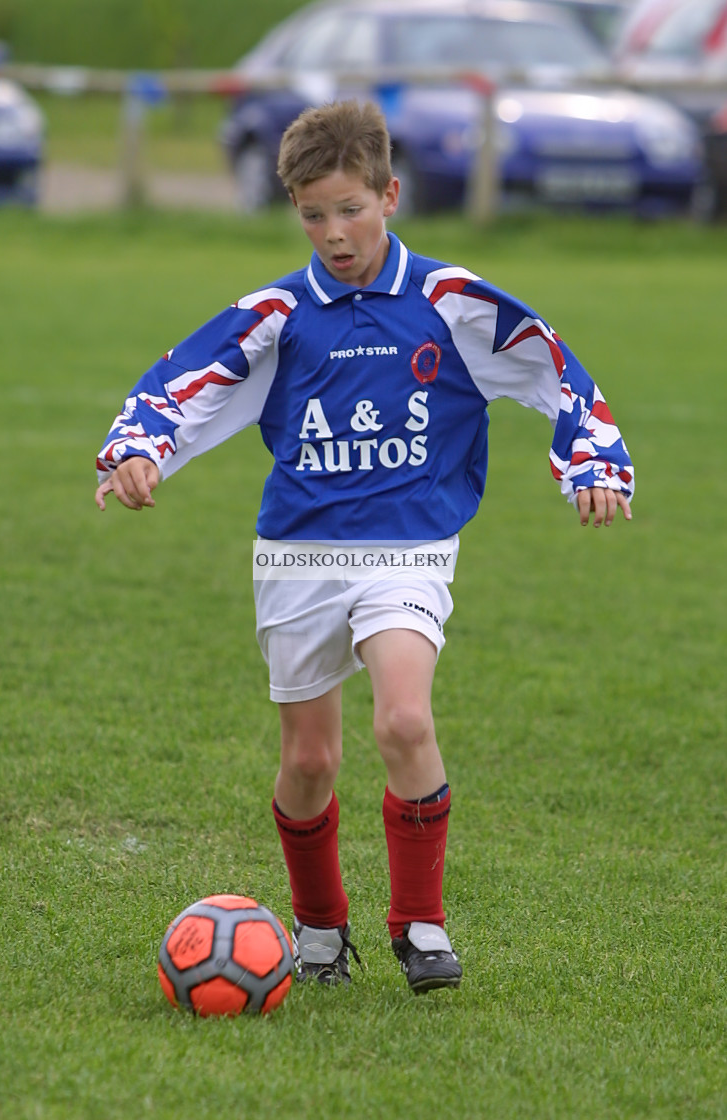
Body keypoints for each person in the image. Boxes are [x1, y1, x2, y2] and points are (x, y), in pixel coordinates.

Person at [95, 99, 633, 994]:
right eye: (313, 214)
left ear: (389, 195)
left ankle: (419, 927)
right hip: (298, 553)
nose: (334, 234)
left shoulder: (449, 303)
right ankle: (316, 929)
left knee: (404, 720)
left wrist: (591, 461)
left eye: (351, 209)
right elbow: (182, 380)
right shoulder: (279, 312)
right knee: (308, 761)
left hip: (409, 548)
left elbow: (551, 365)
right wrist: (138, 453)